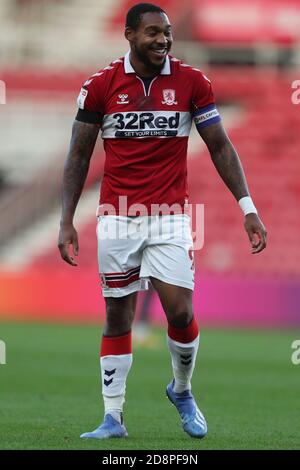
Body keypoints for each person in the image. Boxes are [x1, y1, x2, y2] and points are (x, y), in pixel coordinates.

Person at [58, 3, 267, 440]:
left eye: (167, 33)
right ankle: (113, 418)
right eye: (153, 32)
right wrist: (66, 220)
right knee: (118, 317)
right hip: (117, 216)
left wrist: (247, 207)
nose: (163, 40)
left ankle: (182, 389)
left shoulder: (193, 82)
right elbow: (78, 155)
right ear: (130, 34)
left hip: (170, 216)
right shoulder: (100, 86)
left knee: (181, 310)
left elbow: (220, 146)